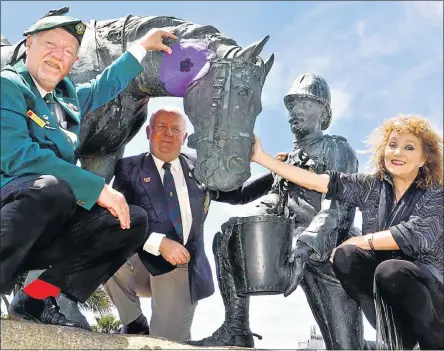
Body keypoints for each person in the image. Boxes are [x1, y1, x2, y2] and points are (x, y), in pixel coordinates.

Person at [0, 14, 176, 329]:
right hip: (11, 211)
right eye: (50, 45)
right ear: (29, 44)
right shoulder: (8, 86)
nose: (58, 56)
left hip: (44, 220)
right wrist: (97, 188)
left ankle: (36, 298)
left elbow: (101, 87)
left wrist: (140, 48)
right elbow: (18, 157)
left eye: (68, 51)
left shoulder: (62, 104)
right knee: (53, 189)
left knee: (129, 221)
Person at [190, 73, 366, 349]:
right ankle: (236, 328)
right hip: (287, 248)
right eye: (292, 106)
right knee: (228, 236)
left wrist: (306, 245)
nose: (296, 111)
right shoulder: (287, 160)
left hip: (327, 253)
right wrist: (210, 179)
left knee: (345, 347)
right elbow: (244, 195)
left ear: (325, 113)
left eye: (306, 104)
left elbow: (339, 209)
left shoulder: (336, 148)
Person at [251, 115, 444, 350]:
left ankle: (433, 344)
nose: (397, 153)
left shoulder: (436, 194)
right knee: (347, 257)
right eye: (392, 145)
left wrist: (362, 240)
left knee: (390, 269)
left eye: (409, 147)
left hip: (433, 297)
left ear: (424, 158)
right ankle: (397, 336)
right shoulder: (371, 186)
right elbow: (318, 182)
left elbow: (412, 235)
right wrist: (261, 157)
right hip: (391, 291)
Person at [103, 107, 274, 342]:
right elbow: (121, 216)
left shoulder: (203, 168)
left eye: (175, 129)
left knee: (164, 343)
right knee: (102, 243)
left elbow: (238, 195)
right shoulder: (128, 168)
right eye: (161, 127)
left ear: (184, 138)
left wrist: (276, 175)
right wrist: (159, 242)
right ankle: (133, 321)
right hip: (141, 260)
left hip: (181, 267)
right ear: (148, 132)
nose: (168, 134)